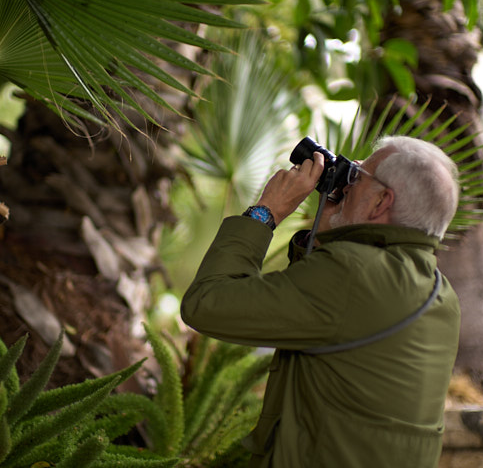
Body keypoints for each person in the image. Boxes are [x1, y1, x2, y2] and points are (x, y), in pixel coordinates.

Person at [180, 135, 461, 467]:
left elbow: (206, 303)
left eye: (356, 176)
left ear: (381, 201)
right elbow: (320, 321)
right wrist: (328, 229)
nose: (347, 183)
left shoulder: (352, 274)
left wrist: (265, 212)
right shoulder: (439, 293)